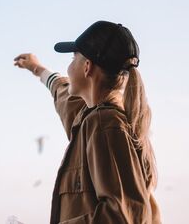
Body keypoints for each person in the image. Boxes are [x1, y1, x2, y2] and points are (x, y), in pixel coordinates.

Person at [14, 21, 161, 224]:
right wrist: (37, 68)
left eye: (73, 57)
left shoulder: (104, 124)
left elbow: (121, 215)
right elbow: (63, 92)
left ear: (87, 67)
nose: (68, 66)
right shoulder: (90, 117)